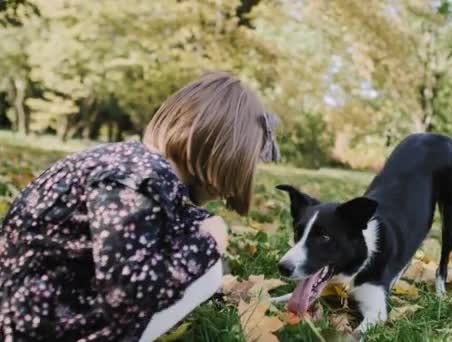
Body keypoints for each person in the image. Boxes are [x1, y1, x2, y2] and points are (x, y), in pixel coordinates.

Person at [0, 71, 280, 341]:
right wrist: (206, 246)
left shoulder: (141, 168)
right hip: (31, 322)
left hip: (36, 302)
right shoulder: (137, 178)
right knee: (207, 268)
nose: (234, 187)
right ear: (223, 154)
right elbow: (127, 291)